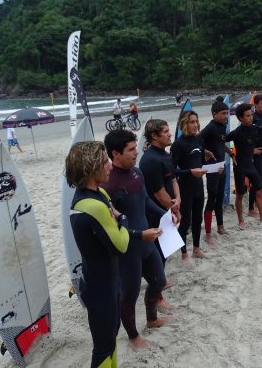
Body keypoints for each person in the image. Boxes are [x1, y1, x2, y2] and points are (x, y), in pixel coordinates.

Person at [66, 141, 143, 368]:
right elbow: (121, 244)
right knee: (103, 347)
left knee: (110, 340)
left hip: (106, 281)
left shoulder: (96, 192)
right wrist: (124, 218)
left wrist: (118, 220)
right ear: (91, 167)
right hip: (101, 289)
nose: (110, 165)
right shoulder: (93, 205)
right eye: (105, 161)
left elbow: (115, 222)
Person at [102, 130, 171, 350]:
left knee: (159, 280)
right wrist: (140, 235)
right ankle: (133, 336)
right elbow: (111, 225)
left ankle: (151, 319)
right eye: (131, 150)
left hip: (147, 242)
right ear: (115, 153)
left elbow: (144, 202)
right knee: (129, 297)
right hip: (128, 249)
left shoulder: (137, 173)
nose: (136, 153)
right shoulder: (108, 185)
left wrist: (165, 213)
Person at [139, 119, 181, 306]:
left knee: (164, 252)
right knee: (155, 254)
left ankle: (160, 284)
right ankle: (157, 296)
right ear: (154, 136)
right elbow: (157, 192)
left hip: (167, 210)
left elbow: (172, 180)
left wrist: (178, 200)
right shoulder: (150, 160)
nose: (169, 134)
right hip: (154, 214)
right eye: (165, 131)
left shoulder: (165, 155)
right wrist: (173, 208)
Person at [171, 111, 207, 267]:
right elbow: (172, 171)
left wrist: (212, 168)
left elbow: (201, 162)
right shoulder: (178, 145)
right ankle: (184, 254)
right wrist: (190, 172)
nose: (195, 125)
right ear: (184, 124)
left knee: (198, 219)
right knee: (185, 222)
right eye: (192, 122)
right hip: (185, 187)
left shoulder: (199, 139)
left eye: (196, 121)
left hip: (199, 185)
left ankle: (196, 249)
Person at [226, 103, 262, 229]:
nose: (251, 118)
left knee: (259, 190)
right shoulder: (235, 133)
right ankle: (241, 220)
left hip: (250, 165)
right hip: (239, 166)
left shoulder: (255, 129)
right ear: (240, 118)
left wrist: (252, 151)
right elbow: (220, 141)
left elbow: (252, 144)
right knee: (240, 194)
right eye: (247, 116)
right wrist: (231, 153)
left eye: (251, 115)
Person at [199, 100, 229, 246]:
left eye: (227, 113)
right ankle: (208, 234)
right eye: (223, 113)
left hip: (222, 166)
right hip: (212, 168)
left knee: (220, 196)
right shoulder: (210, 127)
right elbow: (196, 141)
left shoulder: (223, 126)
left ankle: (220, 226)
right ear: (214, 114)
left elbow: (221, 143)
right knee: (212, 197)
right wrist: (204, 151)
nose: (226, 116)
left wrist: (230, 152)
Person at [249, 94, 262, 217]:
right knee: (255, 181)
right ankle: (251, 207)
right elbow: (246, 136)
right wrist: (251, 150)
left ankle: (257, 202)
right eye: (261, 104)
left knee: (260, 179)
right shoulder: (253, 118)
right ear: (255, 105)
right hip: (257, 154)